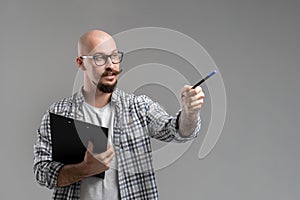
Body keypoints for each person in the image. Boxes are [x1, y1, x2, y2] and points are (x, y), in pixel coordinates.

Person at [33, 30, 205, 200]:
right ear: (81, 63)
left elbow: (175, 131)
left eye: (114, 56)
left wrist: (190, 113)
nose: (111, 65)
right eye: (100, 58)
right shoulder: (57, 113)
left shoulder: (139, 107)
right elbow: (42, 172)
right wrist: (85, 168)